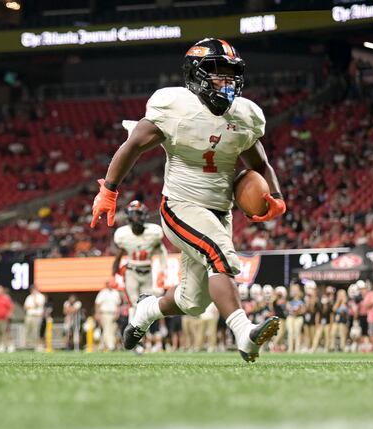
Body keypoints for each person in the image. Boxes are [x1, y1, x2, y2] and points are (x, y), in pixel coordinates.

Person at [90, 38, 286, 362]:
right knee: (220, 254)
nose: (225, 82)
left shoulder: (244, 116)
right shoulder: (175, 108)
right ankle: (244, 334)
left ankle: (146, 310)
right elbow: (133, 145)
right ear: (196, 75)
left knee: (193, 301)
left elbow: (260, 163)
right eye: (216, 73)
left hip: (219, 211)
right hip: (179, 206)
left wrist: (276, 196)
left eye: (230, 74)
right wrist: (108, 191)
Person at [113, 200, 167, 319]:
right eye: (134, 214)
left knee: (146, 303)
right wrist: (115, 267)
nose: (136, 218)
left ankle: (144, 333)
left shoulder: (154, 232)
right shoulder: (123, 234)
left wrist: (163, 270)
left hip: (147, 271)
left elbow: (162, 252)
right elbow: (120, 252)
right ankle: (133, 333)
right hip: (131, 271)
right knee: (133, 304)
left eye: (138, 214)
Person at [94, 280, 122, 351]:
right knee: (107, 329)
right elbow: (97, 304)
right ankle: (111, 346)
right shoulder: (102, 293)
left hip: (113, 314)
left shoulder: (115, 293)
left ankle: (102, 345)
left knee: (112, 329)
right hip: (105, 313)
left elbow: (118, 305)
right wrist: (97, 314)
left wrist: (117, 313)